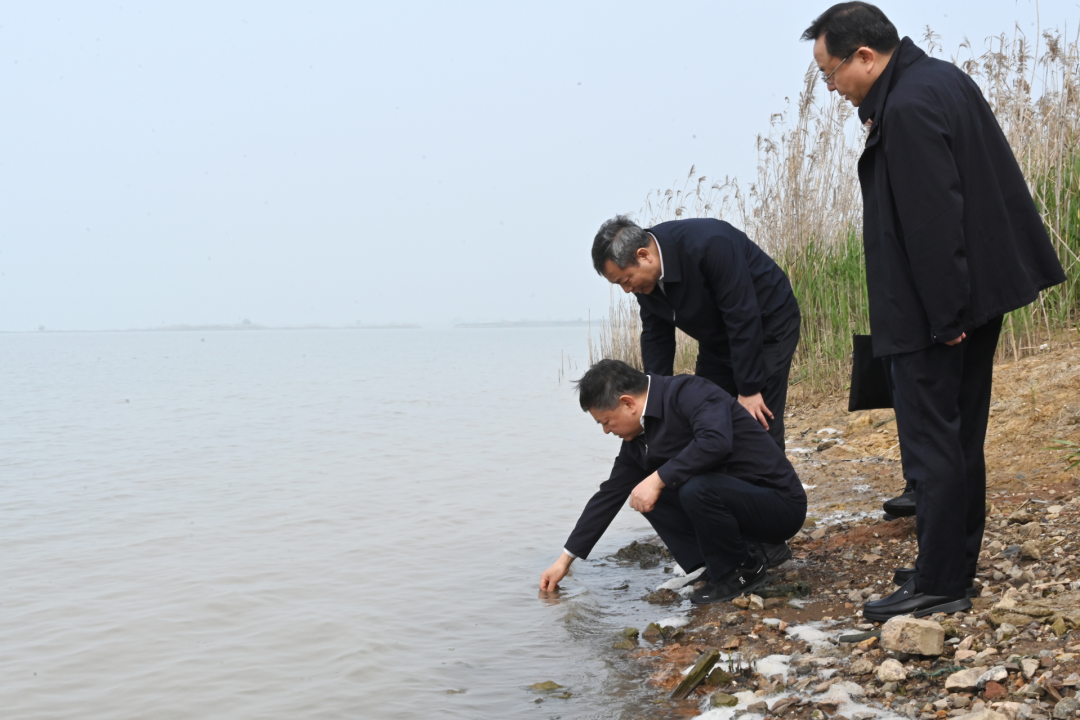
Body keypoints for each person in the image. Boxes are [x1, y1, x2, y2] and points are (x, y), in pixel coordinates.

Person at [802, 2, 1066, 621]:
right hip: (974, 295)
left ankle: (941, 582)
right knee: (959, 438)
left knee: (933, 446)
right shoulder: (940, 79)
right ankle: (948, 565)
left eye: (830, 73)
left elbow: (932, 222)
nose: (831, 88)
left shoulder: (908, 106)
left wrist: (947, 317)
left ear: (864, 56)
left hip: (936, 311)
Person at [538, 359, 807, 604]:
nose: (607, 431)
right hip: (740, 508)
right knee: (644, 493)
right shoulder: (638, 439)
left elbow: (716, 442)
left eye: (606, 422)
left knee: (687, 486)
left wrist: (658, 479)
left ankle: (740, 571)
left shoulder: (689, 392)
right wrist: (565, 560)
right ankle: (714, 566)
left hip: (780, 506)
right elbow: (608, 496)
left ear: (628, 403)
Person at [591, 216, 801, 451]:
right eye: (619, 284)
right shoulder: (644, 283)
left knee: (758, 420)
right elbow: (656, 338)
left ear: (644, 255)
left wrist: (749, 389)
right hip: (717, 338)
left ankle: (773, 473)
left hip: (767, 325)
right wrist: (656, 402)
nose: (627, 290)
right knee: (705, 411)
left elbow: (742, 316)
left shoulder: (710, 243)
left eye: (626, 280)